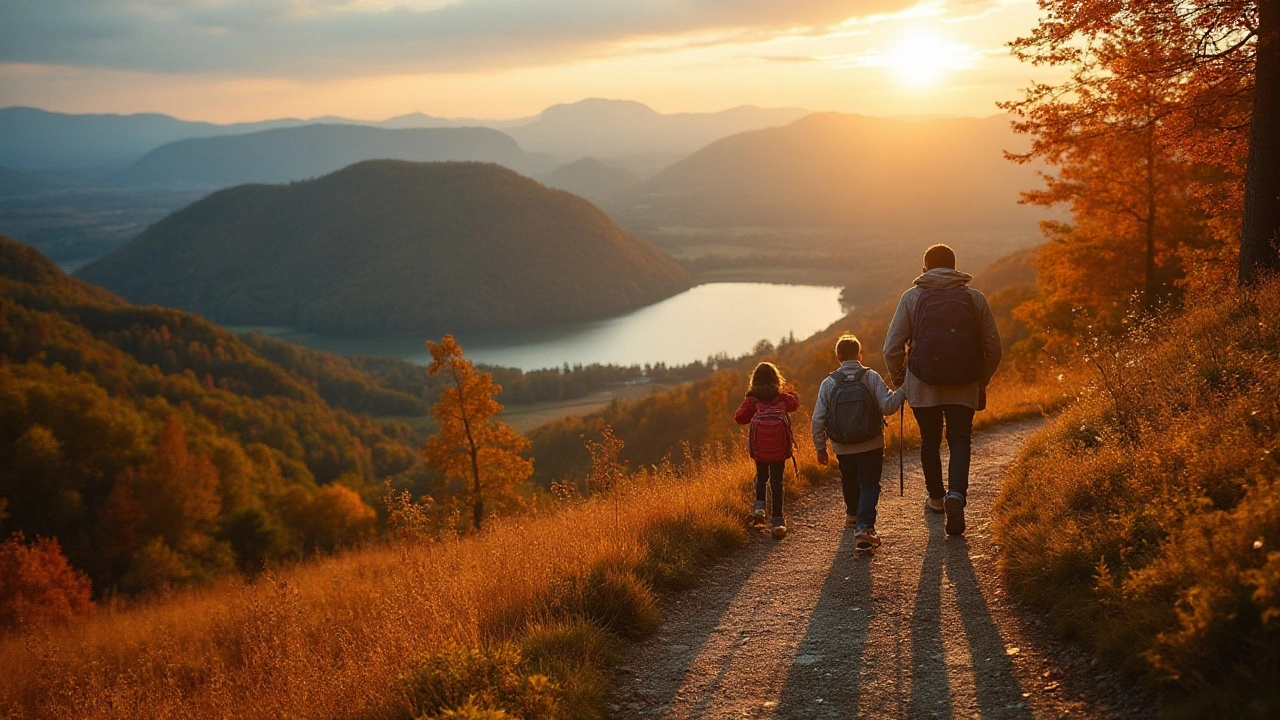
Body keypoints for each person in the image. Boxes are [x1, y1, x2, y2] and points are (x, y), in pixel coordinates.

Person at [883, 244, 1002, 536]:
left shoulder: (912, 297)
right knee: (960, 440)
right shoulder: (975, 299)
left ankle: (936, 499)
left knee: (929, 441)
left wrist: (901, 380)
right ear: (954, 267)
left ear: (924, 269)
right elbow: (994, 348)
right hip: (964, 383)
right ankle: (956, 496)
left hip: (923, 385)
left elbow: (891, 348)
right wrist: (981, 378)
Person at [811, 335, 905, 550]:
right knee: (869, 483)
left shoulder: (829, 383)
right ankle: (864, 527)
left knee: (850, 479)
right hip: (871, 442)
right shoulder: (870, 376)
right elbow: (889, 406)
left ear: (838, 357)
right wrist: (904, 390)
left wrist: (820, 448)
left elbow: (818, 418)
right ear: (860, 355)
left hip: (842, 445)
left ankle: (853, 516)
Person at [734, 362, 800, 538]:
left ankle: (760, 509)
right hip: (779, 448)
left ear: (755, 380)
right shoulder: (782, 398)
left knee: (761, 477)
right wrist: (787, 392)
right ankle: (778, 521)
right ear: (775, 379)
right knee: (777, 482)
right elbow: (795, 404)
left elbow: (739, 418)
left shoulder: (753, 399)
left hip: (760, 448)